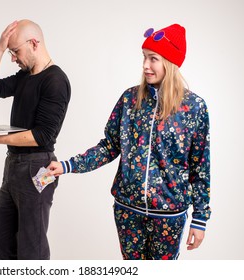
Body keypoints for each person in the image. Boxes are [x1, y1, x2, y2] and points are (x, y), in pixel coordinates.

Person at [47, 24, 211, 260]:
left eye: (153, 59)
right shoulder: (130, 98)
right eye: (144, 58)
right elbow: (109, 146)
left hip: (169, 215)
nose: (145, 65)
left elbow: (200, 166)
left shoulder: (194, 108)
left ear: (170, 63)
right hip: (127, 210)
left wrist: (200, 218)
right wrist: (68, 165)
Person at [0, 19, 71, 260]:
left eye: (16, 52)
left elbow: (43, 135)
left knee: (31, 249)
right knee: (3, 246)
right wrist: (0, 49)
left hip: (37, 167)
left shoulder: (55, 80)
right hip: (13, 165)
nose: (13, 58)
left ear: (34, 43)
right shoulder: (25, 76)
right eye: (11, 53)